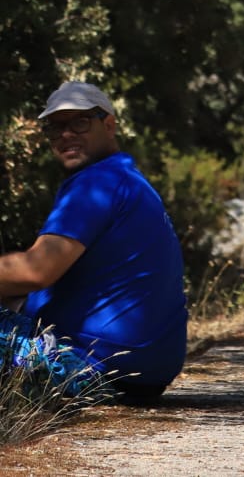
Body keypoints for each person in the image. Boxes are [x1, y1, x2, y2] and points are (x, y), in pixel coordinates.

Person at [0, 82, 187, 401]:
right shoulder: (128, 180)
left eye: (80, 122)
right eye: (55, 128)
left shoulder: (98, 183)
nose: (66, 134)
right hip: (141, 375)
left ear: (109, 124)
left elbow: (36, 271)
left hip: (89, 370)